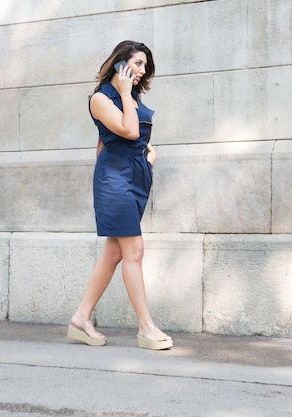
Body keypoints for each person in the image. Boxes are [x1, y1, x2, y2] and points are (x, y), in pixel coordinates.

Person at [67, 40, 173, 350]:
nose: (142, 71)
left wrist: (148, 159)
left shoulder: (133, 97)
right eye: (137, 64)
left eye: (144, 66)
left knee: (115, 253)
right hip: (115, 181)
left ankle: (81, 317)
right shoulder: (102, 98)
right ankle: (146, 328)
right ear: (120, 63)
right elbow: (128, 131)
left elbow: (129, 139)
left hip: (135, 177)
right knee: (134, 250)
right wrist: (125, 94)